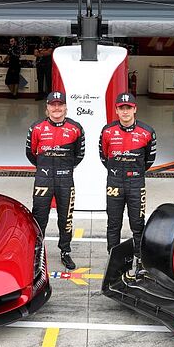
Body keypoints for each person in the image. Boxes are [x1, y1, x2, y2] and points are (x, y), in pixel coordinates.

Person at [26, 91, 85, 270]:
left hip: (65, 178)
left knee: (65, 217)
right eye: (53, 104)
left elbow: (79, 155)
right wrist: (45, 168)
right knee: (39, 217)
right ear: (47, 108)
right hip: (43, 178)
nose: (57, 108)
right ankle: (37, 251)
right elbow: (31, 154)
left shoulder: (76, 128)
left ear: (66, 107)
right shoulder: (36, 128)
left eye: (60, 104)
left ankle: (65, 251)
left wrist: (64, 168)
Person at [99, 92, 156, 273]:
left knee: (137, 223)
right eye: (121, 108)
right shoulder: (107, 131)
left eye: (128, 108)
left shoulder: (147, 132)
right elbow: (104, 156)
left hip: (136, 183)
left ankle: (140, 260)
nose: (125, 112)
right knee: (113, 223)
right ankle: (113, 259)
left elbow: (149, 160)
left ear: (135, 109)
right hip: (114, 181)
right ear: (116, 110)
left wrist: (135, 173)